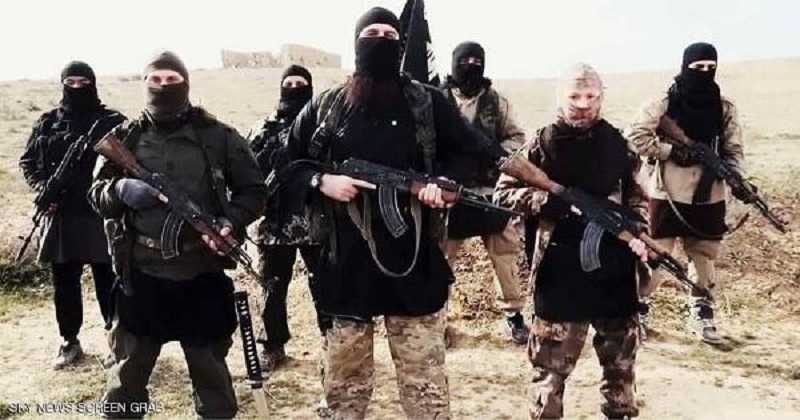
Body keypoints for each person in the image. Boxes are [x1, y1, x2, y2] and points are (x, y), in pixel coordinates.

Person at [282, 7, 499, 419]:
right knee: (344, 386)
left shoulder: (427, 102)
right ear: (356, 43)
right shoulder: (328, 105)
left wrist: (444, 185)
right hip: (345, 261)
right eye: (371, 33)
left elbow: (469, 151)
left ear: (401, 44)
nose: (381, 41)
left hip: (413, 261)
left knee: (424, 385)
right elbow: (288, 165)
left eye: (389, 34)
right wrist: (322, 182)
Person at [88, 51, 267, 419]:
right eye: (155, 80)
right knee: (126, 378)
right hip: (142, 273)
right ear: (144, 84)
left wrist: (229, 221)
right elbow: (96, 194)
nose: (163, 86)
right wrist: (119, 190)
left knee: (212, 378)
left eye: (172, 80)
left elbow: (255, 191)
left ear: (186, 83)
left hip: (201, 272)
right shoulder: (125, 137)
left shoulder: (218, 137)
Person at [495, 63, 647, 419]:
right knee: (550, 370)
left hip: (614, 268)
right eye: (574, 96)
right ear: (560, 97)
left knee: (620, 365)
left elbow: (639, 200)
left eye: (591, 96)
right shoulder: (541, 144)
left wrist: (639, 234)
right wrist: (544, 201)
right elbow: (503, 194)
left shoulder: (619, 146)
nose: (583, 104)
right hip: (558, 269)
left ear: (601, 96)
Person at [624, 42, 744, 344]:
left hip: (709, 194)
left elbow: (734, 149)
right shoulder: (664, 103)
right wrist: (670, 152)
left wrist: (733, 176)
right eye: (697, 67)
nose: (704, 72)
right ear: (684, 66)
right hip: (666, 192)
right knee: (655, 254)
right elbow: (635, 136)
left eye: (710, 67)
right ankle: (637, 308)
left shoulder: (724, 107)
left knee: (704, 254)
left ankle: (701, 311)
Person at [19, 61, 126, 370]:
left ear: (93, 83)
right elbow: (28, 162)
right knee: (64, 282)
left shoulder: (112, 121)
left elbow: (132, 163)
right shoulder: (47, 122)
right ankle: (69, 341)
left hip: (102, 214)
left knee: (109, 280)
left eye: (83, 82)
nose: (77, 88)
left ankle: (116, 341)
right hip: (62, 215)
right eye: (71, 82)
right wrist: (43, 190)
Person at [439, 41, 529, 344]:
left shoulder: (497, 102)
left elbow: (517, 138)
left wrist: (494, 154)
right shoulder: (436, 99)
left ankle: (513, 316)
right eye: (464, 61)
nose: (471, 66)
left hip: (490, 191)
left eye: (477, 61)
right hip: (448, 193)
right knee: (441, 258)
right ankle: (438, 319)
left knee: (505, 255)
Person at [246, 64, 324, 371]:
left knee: (324, 283)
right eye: (288, 84)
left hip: (315, 219)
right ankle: (273, 346)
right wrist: (266, 160)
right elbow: (245, 170)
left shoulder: (322, 127)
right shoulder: (263, 128)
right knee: (272, 286)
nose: (293, 89)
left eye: (300, 84)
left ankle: (331, 342)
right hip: (274, 224)